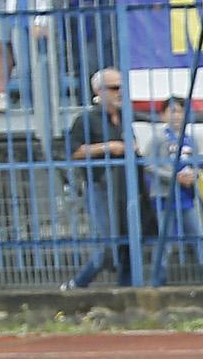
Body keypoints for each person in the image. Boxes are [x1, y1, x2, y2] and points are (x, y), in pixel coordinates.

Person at [62, 67, 155, 288]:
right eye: (114, 88)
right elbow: (72, 152)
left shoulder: (124, 118)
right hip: (101, 186)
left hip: (128, 187)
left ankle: (127, 290)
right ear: (99, 91)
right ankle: (77, 284)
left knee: (130, 241)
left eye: (122, 87)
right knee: (109, 244)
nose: (119, 92)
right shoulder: (87, 119)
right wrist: (108, 147)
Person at [143, 95, 203, 286]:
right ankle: (157, 282)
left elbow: (196, 164)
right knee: (165, 242)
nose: (177, 116)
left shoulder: (190, 140)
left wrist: (194, 175)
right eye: (172, 111)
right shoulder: (159, 139)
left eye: (180, 111)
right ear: (163, 116)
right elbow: (149, 165)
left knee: (200, 238)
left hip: (186, 196)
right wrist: (172, 176)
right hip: (164, 196)